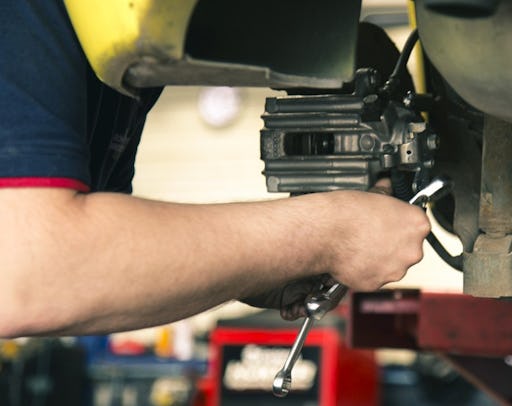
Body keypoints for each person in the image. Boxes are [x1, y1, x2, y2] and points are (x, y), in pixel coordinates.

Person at [0, 2, 430, 338]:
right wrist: (327, 234)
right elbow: (29, 274)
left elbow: (95, 279)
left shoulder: (121, 51)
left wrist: (255, 267)